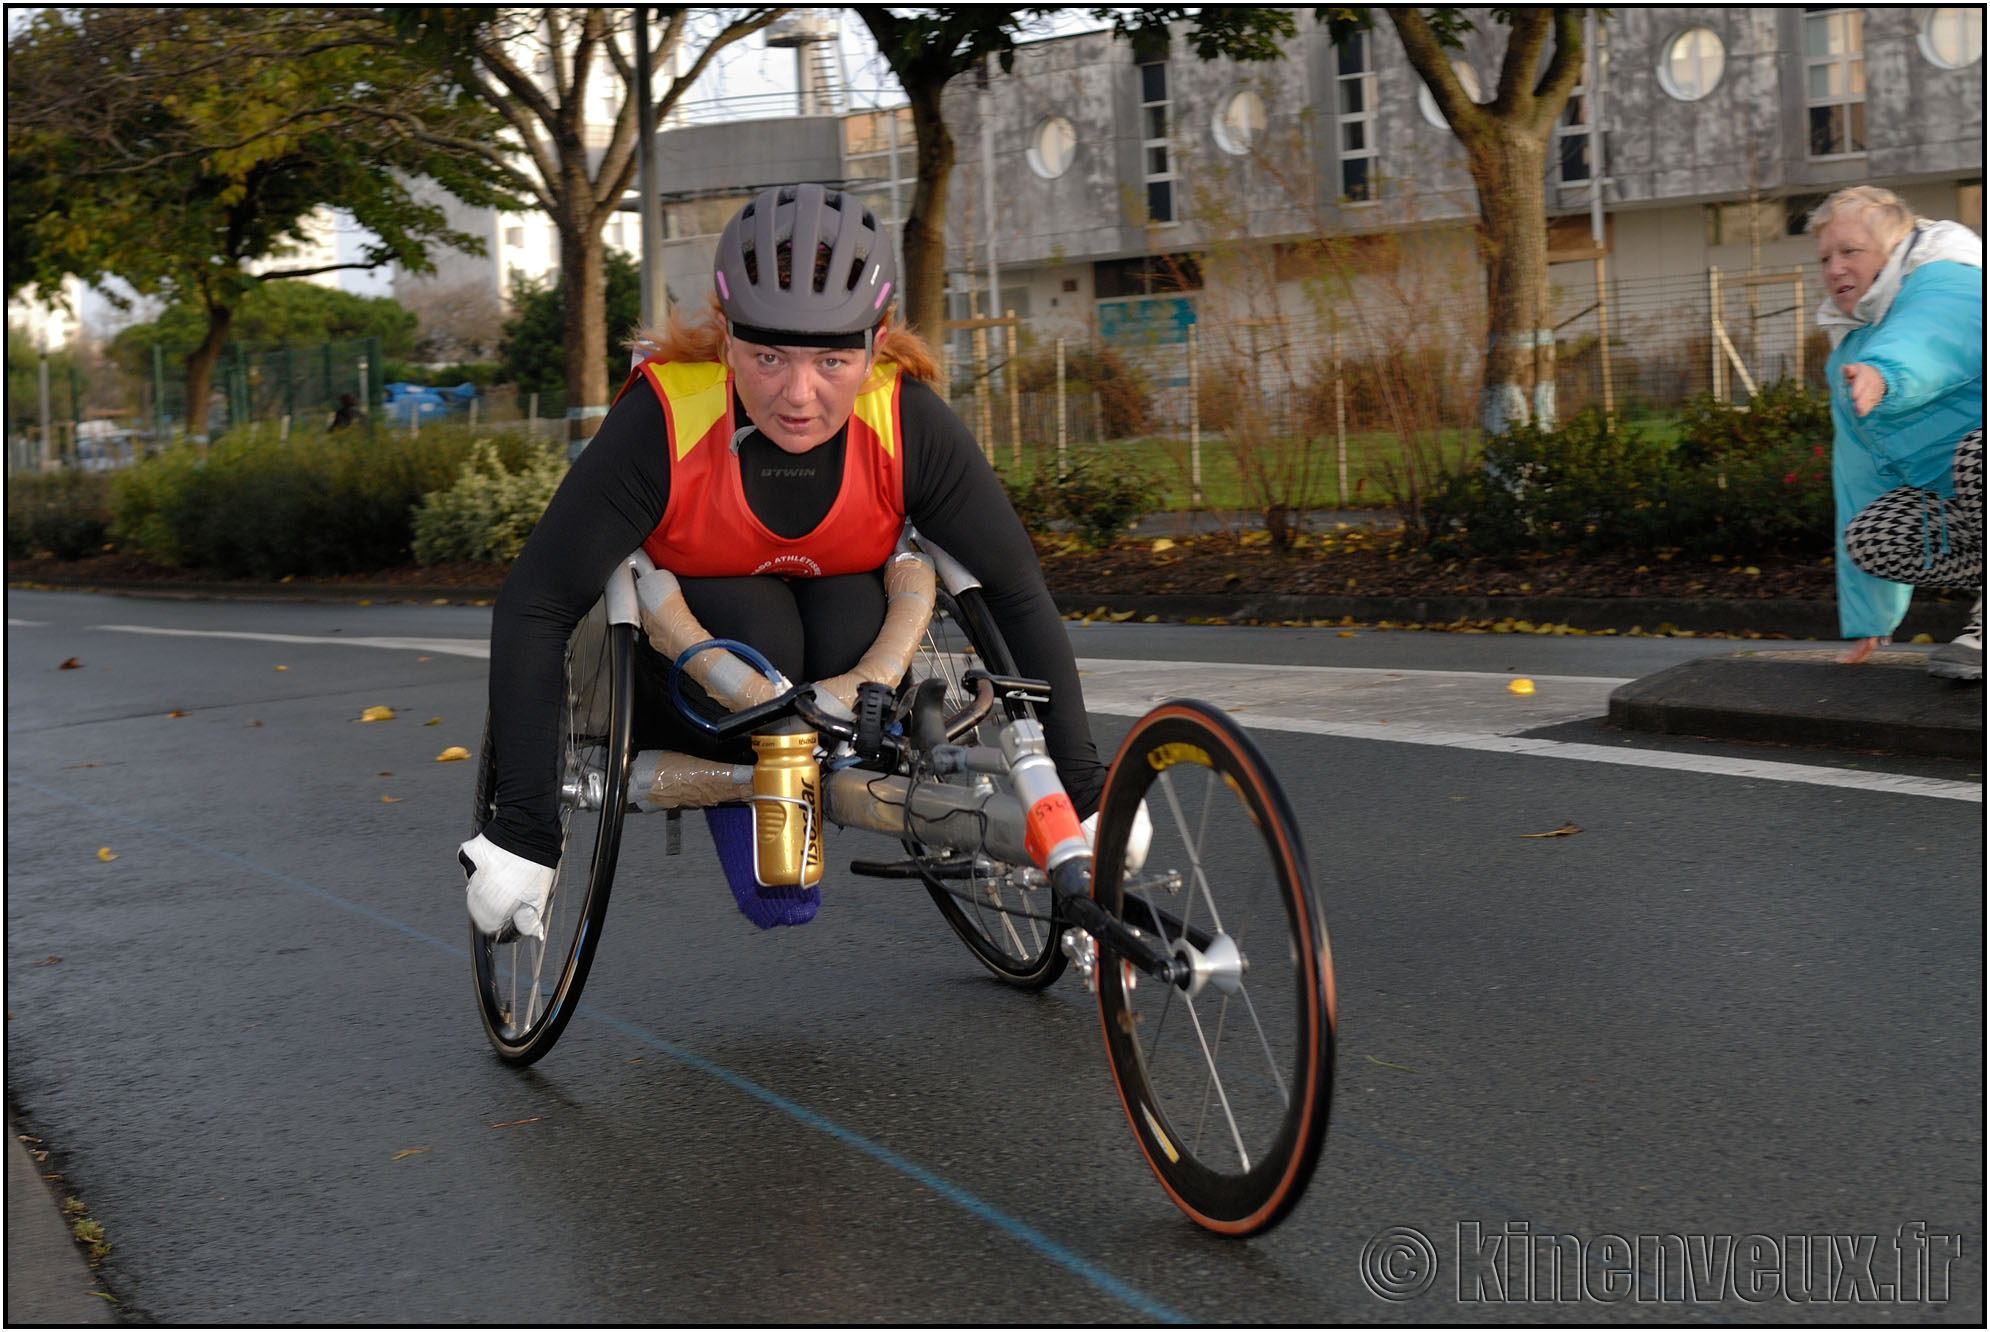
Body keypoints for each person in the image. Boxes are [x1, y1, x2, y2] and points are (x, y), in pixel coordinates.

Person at [459, 183, 1115, 935]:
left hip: (853, 675)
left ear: (874, 346)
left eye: (833, 360)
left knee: (844, 611)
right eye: (767, 356)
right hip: (695, 670)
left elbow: (1014, 590)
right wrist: (525, 835)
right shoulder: (663, 421)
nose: (798, 396)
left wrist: (1084, 794)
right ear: (727, 335)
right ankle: (756, 811)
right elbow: (537, 603)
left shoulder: (907, 422)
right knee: (759, 621)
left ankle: (797, 787)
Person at [1807, 185, 1983, 675]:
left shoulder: (1952, 276)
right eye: (1824, 258)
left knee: (1977, 452)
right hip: (1970, 508)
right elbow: (1860, 478)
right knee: (1872, 537)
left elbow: (1935, 330)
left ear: (1894, 252)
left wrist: (1885, 372)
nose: (1834, 268)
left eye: (1850, 252)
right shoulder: (1850, 352)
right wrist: (1868, 619)